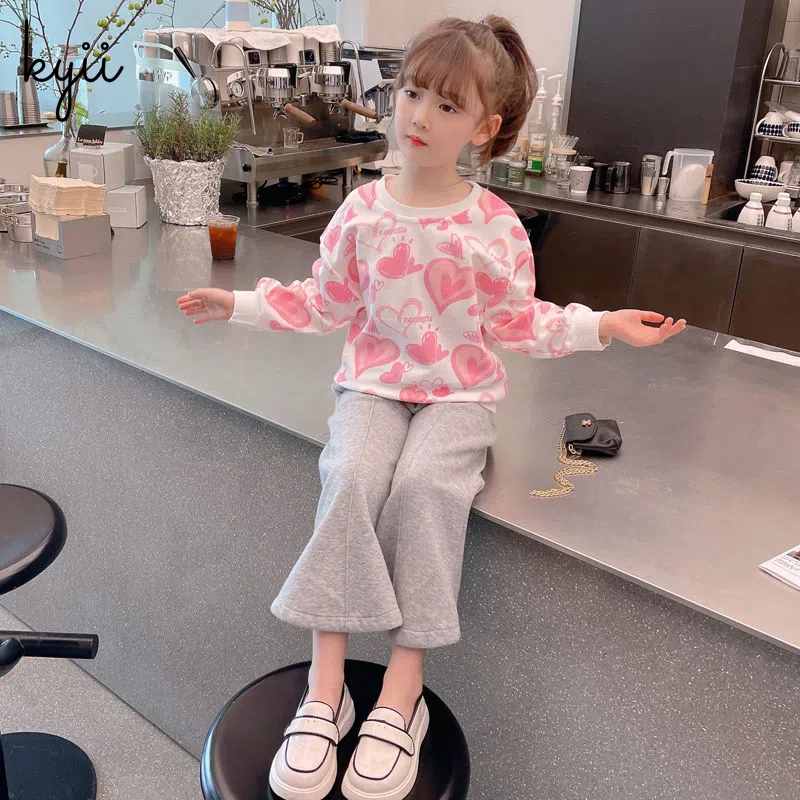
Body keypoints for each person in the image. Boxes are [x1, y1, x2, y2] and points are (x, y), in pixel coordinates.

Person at [178, 15, 686, 800]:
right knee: (350, 473)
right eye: (413, 92)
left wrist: (602, 326)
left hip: (459, 396)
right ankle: (326, 687)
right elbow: (323, 302)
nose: (419, 115)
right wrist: (238, 303)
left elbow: (518, 322)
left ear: (482, 127)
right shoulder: (361, 213)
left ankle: (401, 692)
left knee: (424, 487)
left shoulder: (495, 227)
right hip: (373, 386)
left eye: (447, 106)